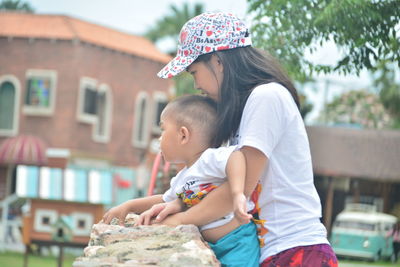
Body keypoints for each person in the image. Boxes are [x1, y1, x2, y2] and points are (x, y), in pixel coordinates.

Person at [154, 12, 338, 267]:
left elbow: (237, 190)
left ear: (218, 61)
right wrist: (178, 203)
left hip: (296, 250)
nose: (196, 84)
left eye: (194, 71)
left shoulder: (267, 97)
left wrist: (179, 221)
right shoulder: (240, 114)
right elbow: (213, 188)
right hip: (269, 251)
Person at [103, 94, 260, 267]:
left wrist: (237, 193)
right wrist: (129, 206)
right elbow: (164, 199)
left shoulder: (208, 159)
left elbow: (236, 157)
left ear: (183, 135)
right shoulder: (182, 178)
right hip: (214, 247)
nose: (159, 138)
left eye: (163, 130)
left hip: (237, 243)